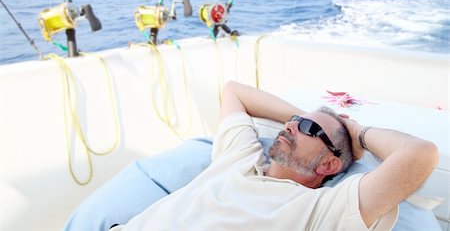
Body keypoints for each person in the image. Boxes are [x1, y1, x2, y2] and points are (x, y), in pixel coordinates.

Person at [111, 81, 438, 230]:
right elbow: (234, 91)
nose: (291, 126)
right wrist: (307, 117)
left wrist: (358, 134)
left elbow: (419, 155)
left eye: (307, 127)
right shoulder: (240, 157)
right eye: (292, 122)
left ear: (328, 164)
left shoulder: (321, 210)